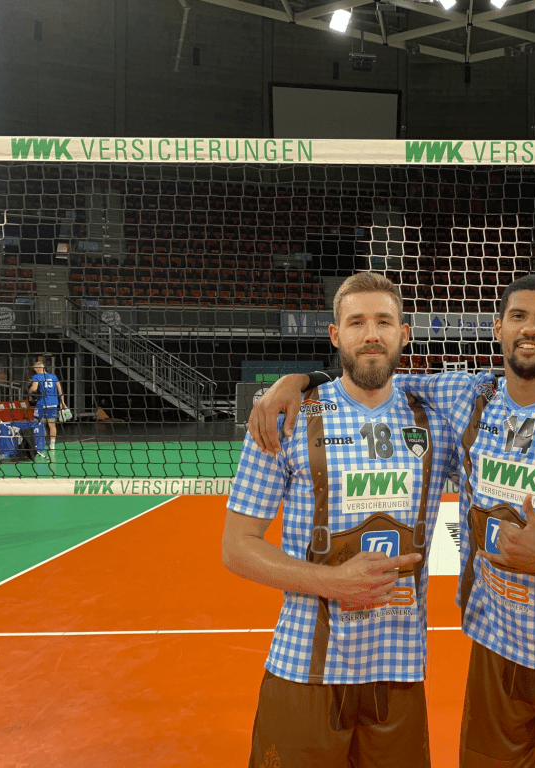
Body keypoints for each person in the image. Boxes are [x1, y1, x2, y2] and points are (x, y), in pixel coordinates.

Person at [250, 274, 535, 768]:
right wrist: (298, 379)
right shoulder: (469, 399)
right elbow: (373, 375)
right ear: (498, 328)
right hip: (493, 650)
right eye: (518, 317)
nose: (530, 330)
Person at [223, 272, 459, 768]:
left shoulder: (439, 423)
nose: (371, 334)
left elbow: (518, 402)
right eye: (356, 322)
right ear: (336, 335)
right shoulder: (287, 419)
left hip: (398, 672)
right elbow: (237, 546)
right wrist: (333, 582)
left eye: (383, 321)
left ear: (404, 332)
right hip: (304, 666)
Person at [28, 361, 67, 460]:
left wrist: (29, 388)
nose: (35, 370)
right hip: (53, 403)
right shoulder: (53, 376)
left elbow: (34, 388)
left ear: (38, 368)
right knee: (52, 424)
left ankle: (40, 444)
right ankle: (52, 445)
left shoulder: (37, 377)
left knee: (37, 423)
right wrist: (62, 401)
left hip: (42, 403)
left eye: (35, 369)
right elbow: (59, 389)